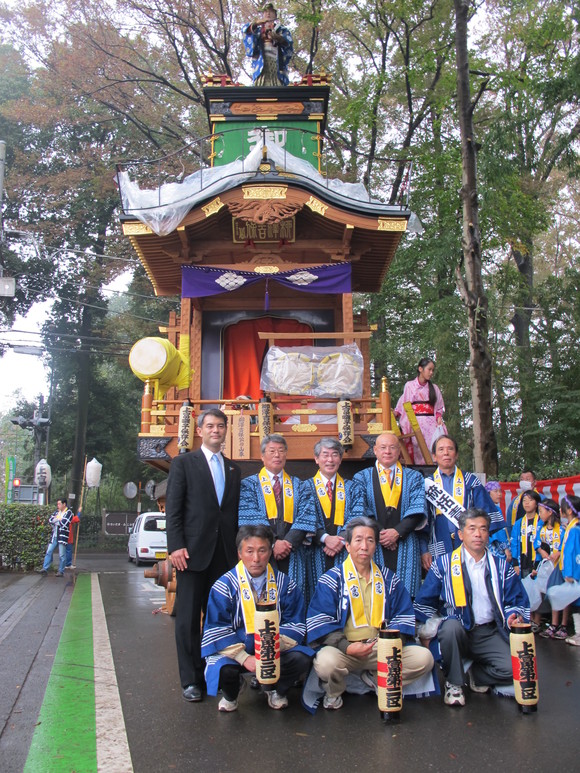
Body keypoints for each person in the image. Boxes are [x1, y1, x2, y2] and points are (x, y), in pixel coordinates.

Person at [306, 517, 434, 710]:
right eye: (358, 540)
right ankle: (335, 692)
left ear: (376, 546)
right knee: (325, 662)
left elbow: (403, 616)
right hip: (346, 650)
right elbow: (320, 622)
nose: (364, 546)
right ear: (347, 546)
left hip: (380, 648)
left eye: (370, 540)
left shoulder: (389, 579)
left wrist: (387, 642)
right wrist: (347, 646)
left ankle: (375, 677)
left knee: (424, 658)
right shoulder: (332, 580)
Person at [414, 508, 530, 707]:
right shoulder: (444, 564)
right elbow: (424, 602)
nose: (478, 534)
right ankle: (454, 683)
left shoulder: (500, 567)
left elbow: (517, 601)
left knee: (518, 670)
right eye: (472, 529)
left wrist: (513, 616)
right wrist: (421, 634)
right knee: (450, 628)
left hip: (488, 631)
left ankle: (477, 674)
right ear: (461, 534)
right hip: (456, 630)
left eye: (483, 529)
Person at [165, 408, 242, 703]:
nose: (216, 430)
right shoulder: (184, 463)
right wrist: (175, 546)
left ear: (226, 431)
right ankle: (191, 679)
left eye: (221, 426)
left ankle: (220, 675)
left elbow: (231, 514)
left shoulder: (233, 469)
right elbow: (173, 510)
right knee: (187, 619)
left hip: (224, 555)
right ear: (199, 431)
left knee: (221, 619)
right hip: (192, 553)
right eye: (210, 426)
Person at [201, 524, 312, 712]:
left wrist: (270, 649)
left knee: (301, 658)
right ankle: (231, 693)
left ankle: (275, 689)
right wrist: (245, 658)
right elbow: (216, 628)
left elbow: (295, 623)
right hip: (238, 649)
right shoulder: (224, 586)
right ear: (239, 553)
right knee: (222, 669)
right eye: (249, 551)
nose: (256, 558)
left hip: (275, 647)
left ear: (270, 552)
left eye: (262, 551)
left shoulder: (285, 584)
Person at [238, 434, 316, 598]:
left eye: (281, 451)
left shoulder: (299, 485)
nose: (277, 455)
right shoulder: (249, 484)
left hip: (293, 551)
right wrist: (273, 543)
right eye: (272, 451)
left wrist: (287, 542)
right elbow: (250, 516)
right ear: (262, 456)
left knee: (294, 594)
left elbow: (306, 515)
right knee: (261, 597)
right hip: (260, 552)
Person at [352, 431, 426, 598]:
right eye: (383, 447)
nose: (387, 451)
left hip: (405, 540)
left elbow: (417, 508)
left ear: (399, 451)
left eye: (392, 447)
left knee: (406, 593)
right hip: (373, 541)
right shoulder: (361, 478)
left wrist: (397, 532)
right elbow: (360, 509)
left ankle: (405, 623)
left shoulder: (414, 477)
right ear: (375, 450)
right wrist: (381, 534)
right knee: (373, 592)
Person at [424, 435, 503, 566]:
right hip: (438, 542)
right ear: (434, 456)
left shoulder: (471, 481)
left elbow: (485, 514)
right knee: (443, 581)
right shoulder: (427, 485)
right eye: (441, 449)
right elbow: (422, 522)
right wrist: (423, 550)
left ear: (456, 454)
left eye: (450, 449)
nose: (446, 453)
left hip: (469, 541)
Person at [302, 437, 363, 602]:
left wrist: (341, 539)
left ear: (340, 459)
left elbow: (357, 515)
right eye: (325, 455)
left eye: (335, 455)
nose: (330, 459)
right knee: (316, 596)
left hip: (345, 550)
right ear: (316, 459)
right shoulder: (304, 487)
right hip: (315, 550)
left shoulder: (353, 487)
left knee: (346, 596)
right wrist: (325, 538)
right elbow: (304, 517)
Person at [394, 358, 447, 464]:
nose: (431, 373)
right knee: (416, 448)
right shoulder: (409, 385)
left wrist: (438, 417)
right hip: (415, 422)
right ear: (420, 369)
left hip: (430, 424)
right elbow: (405, 403)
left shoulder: (435, 388)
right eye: (429, 369)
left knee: (433, 447)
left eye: (433, 370)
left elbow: (439, 407)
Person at [546, 495, 580, 645]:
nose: (560, 510)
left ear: (569, 511)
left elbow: (573, 552)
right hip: (572, 572)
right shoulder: (572, 526)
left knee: (577, 606)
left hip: (574, 574)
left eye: (562, 508)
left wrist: (570, 573)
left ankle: (578, 634)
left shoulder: (574, 529)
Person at [243, 3, 293, 87]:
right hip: (261, 64)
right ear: (263, 14)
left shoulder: (282, 29)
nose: (268, 13)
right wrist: (256, 23)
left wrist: (277, 37)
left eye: (271, 11)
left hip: (276, 63)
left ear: (275, 15)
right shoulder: (258, 30)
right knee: (260, 85)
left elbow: (288, 43)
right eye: (266, 11)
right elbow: (246, 30)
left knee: (277, 85)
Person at [510, 490, 541, 579]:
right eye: (524, 500)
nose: (526, 503)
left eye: (530, 500)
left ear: (536, 504)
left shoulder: (541, 522)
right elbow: (514, 543)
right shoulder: (518, 523)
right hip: (523, 562)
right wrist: (515, 563)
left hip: (537, 562)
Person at [40, 499, 73, 576]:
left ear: (64, 504)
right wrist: (58, 520)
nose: (58, 506)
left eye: (59, 504)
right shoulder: (56, 512)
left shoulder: (69, 513)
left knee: (62, 554)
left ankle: (61, 571)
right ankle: (45, 568)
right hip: (54, 535)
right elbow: (50, 520)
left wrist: (56, 520)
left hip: (62, 536)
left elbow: (64, 524)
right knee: (49, 551)